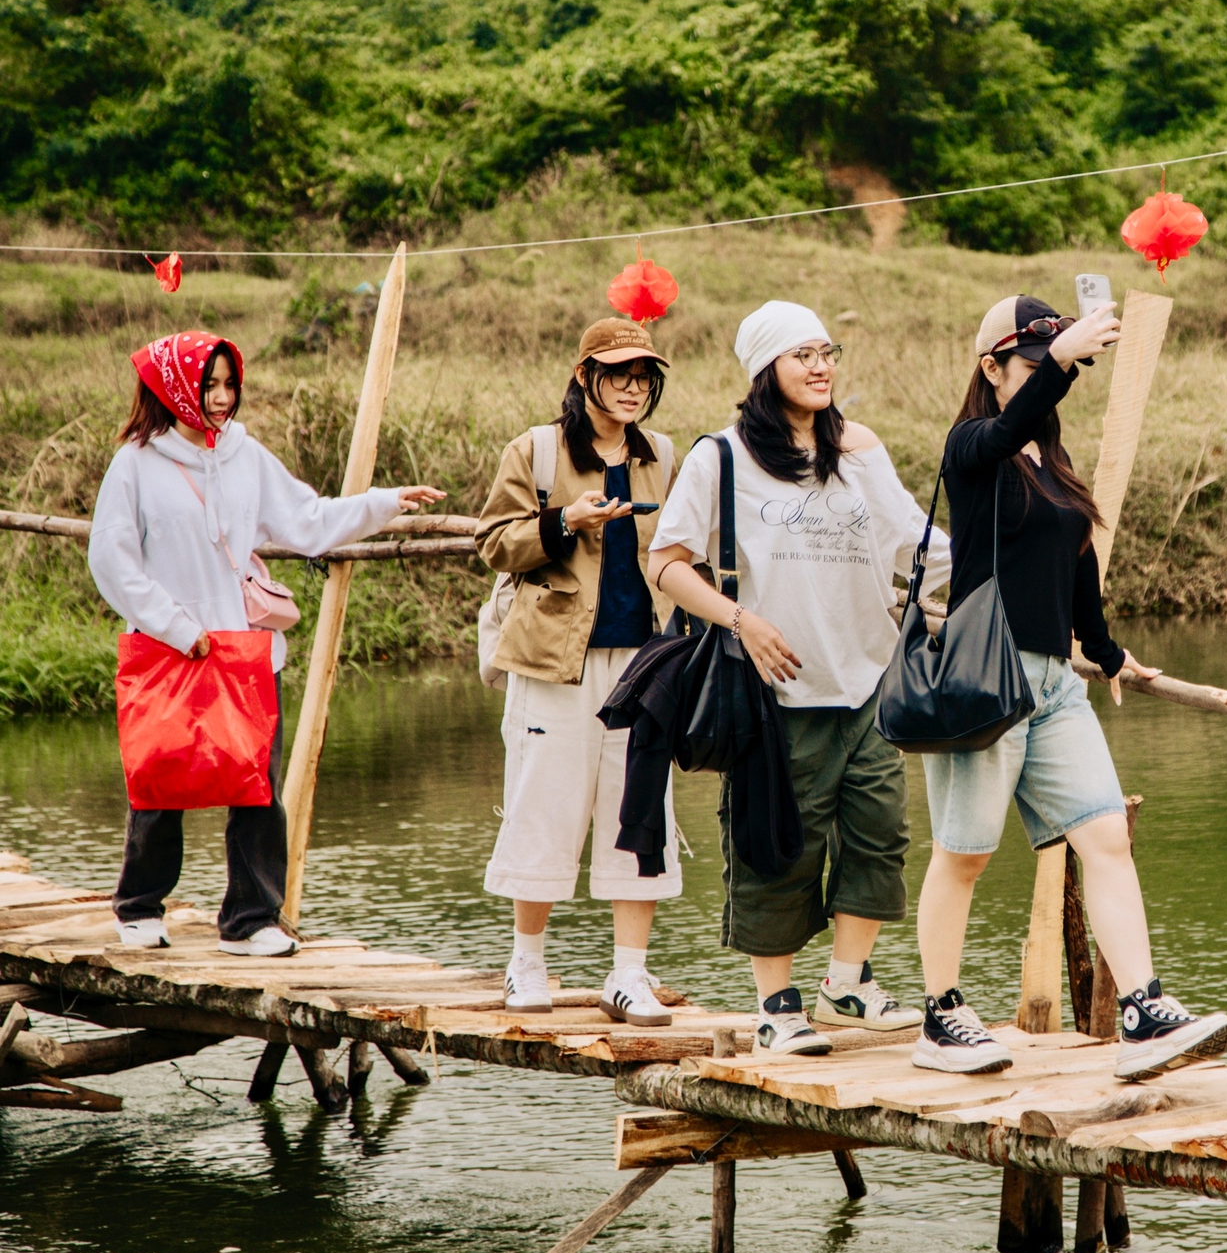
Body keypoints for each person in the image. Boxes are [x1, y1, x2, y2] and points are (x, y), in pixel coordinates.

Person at [914, 295, 1227, 1080]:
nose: (1052, 384)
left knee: (1105, 837)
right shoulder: (974, 449)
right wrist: (1058, 364)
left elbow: (1077, 564)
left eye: (1055, 369)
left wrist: (1107, 650)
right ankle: (941, 1015)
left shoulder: (1047, 464)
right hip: (986, 681)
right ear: (992, 369)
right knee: (965, 856)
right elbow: (1006, 426)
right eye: (1032, 366)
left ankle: (1144, 1010)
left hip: (1055, 684)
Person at [650, 301, 951, 1055]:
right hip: (776, 693)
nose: (820, 367)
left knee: (881, 839)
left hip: (872, 683)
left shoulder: (858, 450)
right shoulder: (720, 458)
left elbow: (913, 544)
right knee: (778, 845)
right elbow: (667, 563)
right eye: (801, 355)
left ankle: (846, 984)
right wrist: (740, 621)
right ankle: (776, 1007)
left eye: (827, 352)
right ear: (764, 371)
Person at [89, 330, 444, 957]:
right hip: (170, 648)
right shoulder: (135, 464)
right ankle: (140, 906)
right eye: (210, 385)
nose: (223, 398)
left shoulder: (245, 456)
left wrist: (386, 502)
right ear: (174, 388)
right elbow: (112, 562)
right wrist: (177, 627)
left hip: (243, 651)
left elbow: (308, 521)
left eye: (230, 385)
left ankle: (251, 919)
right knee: (159, 779)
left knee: (256, 786)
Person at [477, 317, 680, 1023]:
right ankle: (526, 964)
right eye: (618, 372)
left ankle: (629, 974)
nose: (632, 386)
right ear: (584, 376)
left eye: (643, 375)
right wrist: (564, 521)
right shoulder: (535, 450)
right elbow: (495, 544)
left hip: (645, 663)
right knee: (544, 808)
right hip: (554, 661)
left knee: (640, 813)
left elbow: (681, 551)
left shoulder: (665, 455)